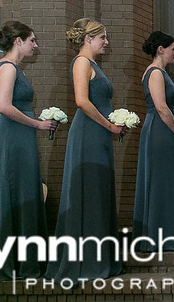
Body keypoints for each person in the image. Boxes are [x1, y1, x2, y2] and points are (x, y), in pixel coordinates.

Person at [47, 18, 126, 281]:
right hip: (89, 134)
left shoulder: (92, 65)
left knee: (99, 193)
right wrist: (110, 126)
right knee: (88, 193)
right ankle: (86, 265)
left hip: (99, 133)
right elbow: (81, 101)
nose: (106, 42)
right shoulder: (81, 63)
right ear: (88, 39)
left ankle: (100, 259)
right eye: (102, 37)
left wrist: (113, 125)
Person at [0, 22, 57, 280]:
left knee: (22, 193)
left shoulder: (8, 68)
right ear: (18, 42)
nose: (36, 46)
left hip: (17, 138)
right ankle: (18, 264)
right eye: (32, 40)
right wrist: (38, 124)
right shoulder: (8, 68)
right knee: (18, 194)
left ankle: (24, 262)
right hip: (14, 139)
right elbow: (3, 106)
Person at [132, 31, 174, 251]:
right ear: (160, 49)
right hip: (158, 130)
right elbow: (161, 106)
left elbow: (170, 108)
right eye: (173, 49)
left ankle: (170, 233)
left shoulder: (162, 73)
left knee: (168, 181)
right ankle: (160, 236)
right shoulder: (155, 73)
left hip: (164, 128)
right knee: (160, 182)